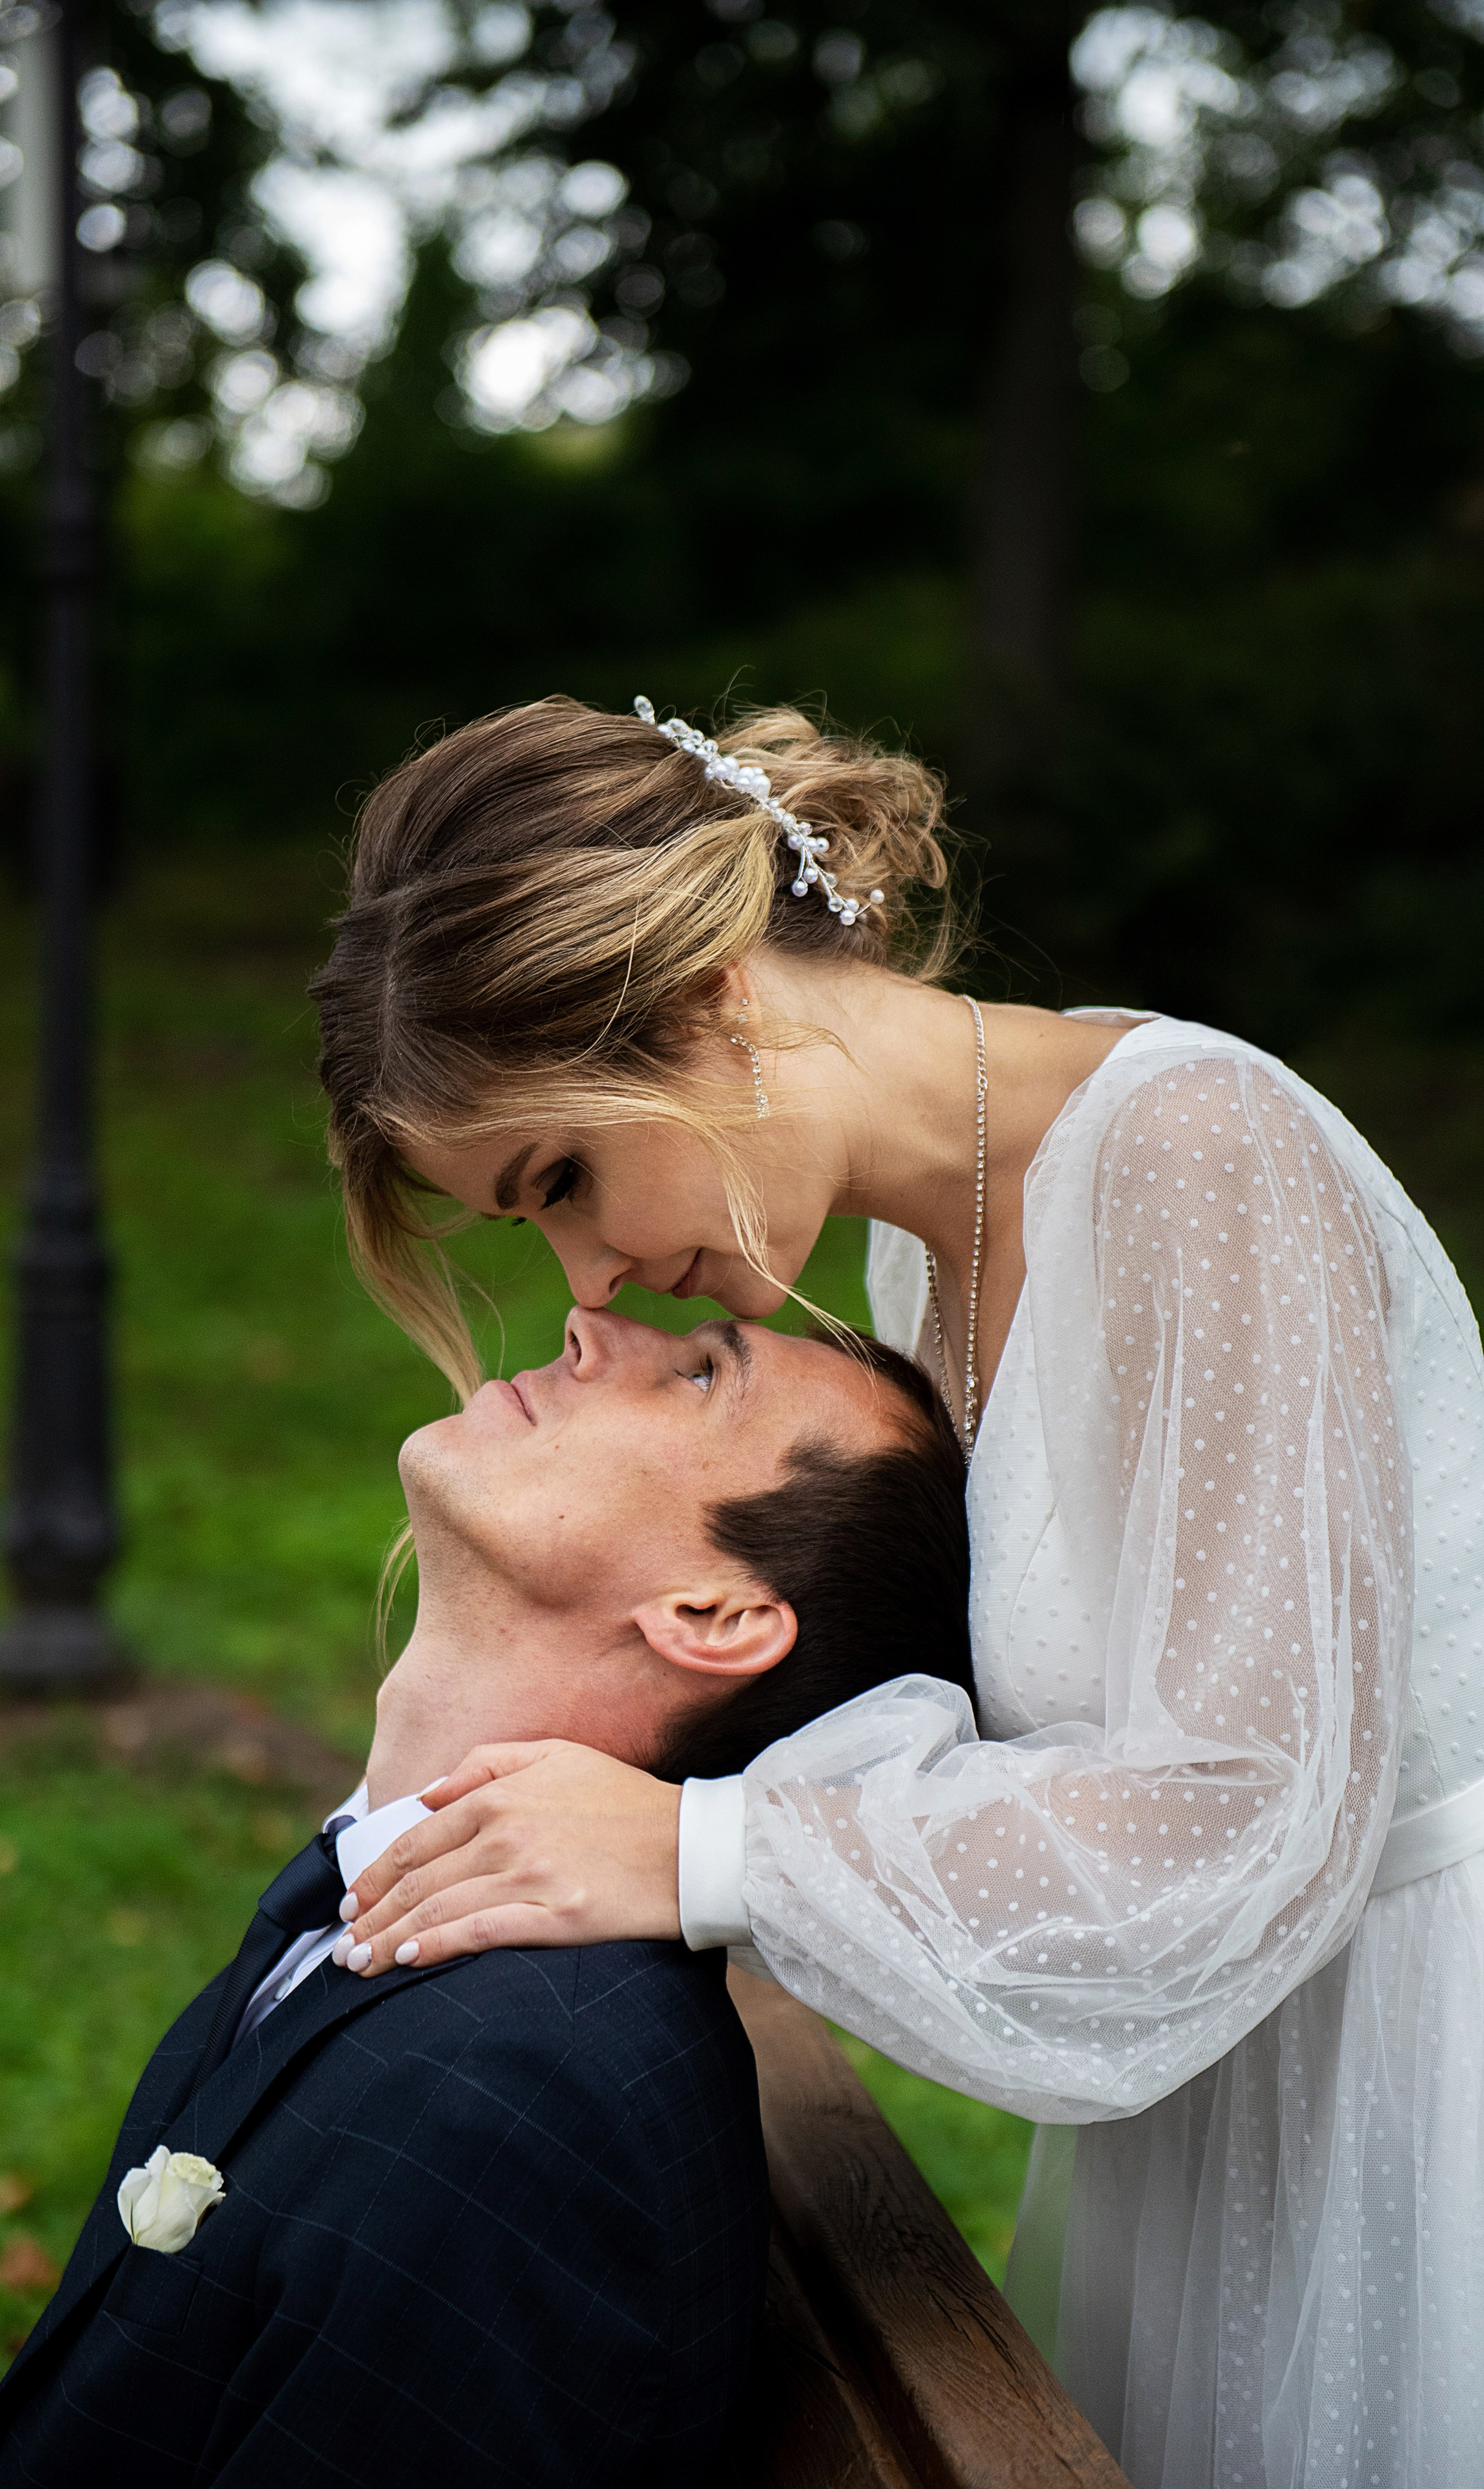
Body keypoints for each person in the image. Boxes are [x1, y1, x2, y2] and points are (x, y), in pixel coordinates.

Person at [308, 692, 1484, 2489]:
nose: (593, 1271)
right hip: (1222, 2101)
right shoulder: (914, 1251)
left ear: (710, 997)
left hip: (1411, 2079)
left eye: (561, 1177)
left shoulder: (1195, 1149)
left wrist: (706, 1851)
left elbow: (1264, 1807)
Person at [0, 1303, 969, 2489]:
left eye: (700, 1379)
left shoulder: (520, 2104)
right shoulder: (425, 1911)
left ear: (714, 1615)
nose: (593, 1325)